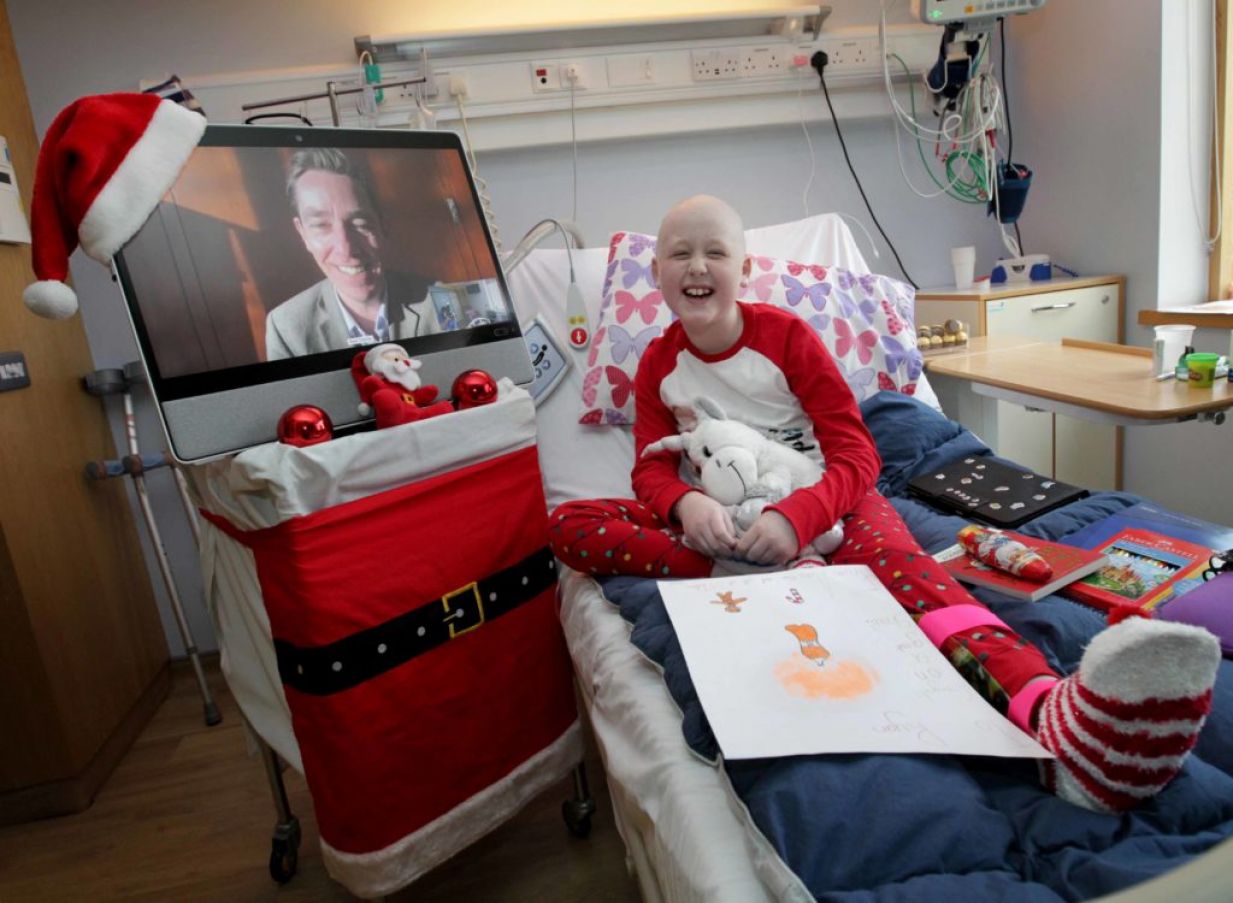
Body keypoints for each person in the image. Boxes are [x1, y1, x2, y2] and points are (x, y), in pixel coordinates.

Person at [549, 194, 1220, 814]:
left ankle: (1048, 718)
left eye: (714, 252)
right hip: (724, 523)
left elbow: (855, 455)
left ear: (743, 269)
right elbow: (650, 468)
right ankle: (749, 569)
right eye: (678, 252)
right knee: (570, 526)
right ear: (657, 271)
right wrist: (685, 510)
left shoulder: (784, 336)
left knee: (911, 572)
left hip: (822, 499)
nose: (696, 266)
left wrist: (798, 518)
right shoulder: (655, 365)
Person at [265, 148, 443, 360]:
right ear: (302, 233)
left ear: (382, 224)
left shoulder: (442, 303)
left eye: (360, 223)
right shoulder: (285, 328)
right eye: (321, 225)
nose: (346, 249)